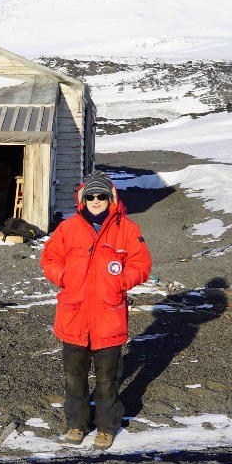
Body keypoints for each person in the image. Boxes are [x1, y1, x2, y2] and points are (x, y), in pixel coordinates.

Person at [40, 170, 152, 449]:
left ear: (110, 198)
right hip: (74, 316)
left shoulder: (127, 229)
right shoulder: (68, 228)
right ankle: (77, 424)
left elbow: (141, 265)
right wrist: (63, 277)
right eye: (91, 195)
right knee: (74, 376)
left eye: (102, 195)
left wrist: (121, 281)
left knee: (107, 378)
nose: (96, 200)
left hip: (108, 318)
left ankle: (106, 427)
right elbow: (50, 258)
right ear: (83, 199)